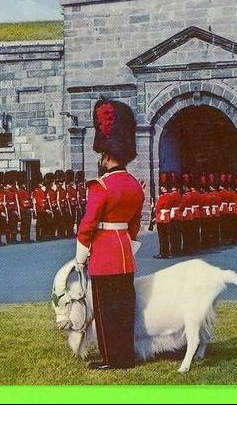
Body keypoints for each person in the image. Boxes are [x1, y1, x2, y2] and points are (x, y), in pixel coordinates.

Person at [74, 97, 144, 370]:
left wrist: (80, 256)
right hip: (125, 254)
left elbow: (88, 224)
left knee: (105, 311)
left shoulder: (101, 186)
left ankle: (111, 358)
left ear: (106, 156)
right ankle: (125, 355)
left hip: (104, 256)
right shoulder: (135, 187)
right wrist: (127, 244)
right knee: (125, 309)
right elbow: (135, 225)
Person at [152, 173, 172, 259]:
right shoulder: (170, 196)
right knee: (166, 237)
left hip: (161, 218)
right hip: (167, 216)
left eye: (162, 187)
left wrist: (154, 209)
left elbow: (158, 208)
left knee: (162, 237)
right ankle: (166, 252)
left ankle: (162, 253)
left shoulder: (163, 197)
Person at [4, 171, 20, 244]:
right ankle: (9, 239)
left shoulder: (13, 188)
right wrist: (13, 209)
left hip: (13, 209)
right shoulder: (7, 190)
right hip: (9, 210)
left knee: (14, 225)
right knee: (10, 225)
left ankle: (13, 239)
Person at [17, 171, 33, 243]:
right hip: (24, 210)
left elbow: (28, 199)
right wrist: (28, 206)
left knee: (27, 224)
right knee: (24, 224)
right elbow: (22, 201)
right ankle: (24, 238)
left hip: (27, 209)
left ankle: (27, 237)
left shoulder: (24, 191)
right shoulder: (20, 191)